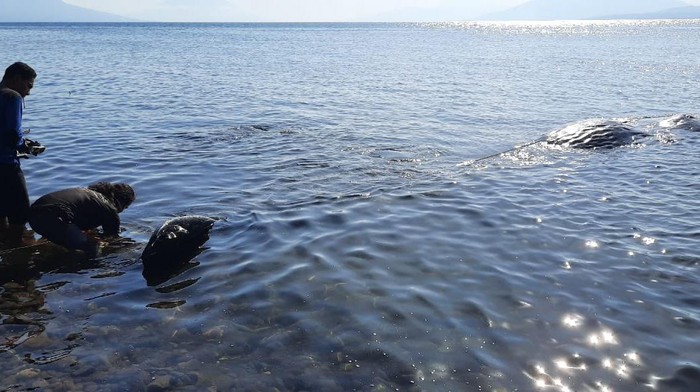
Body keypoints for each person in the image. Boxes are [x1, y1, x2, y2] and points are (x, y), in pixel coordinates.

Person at [28, 182, 135, 254]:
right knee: (93, 249)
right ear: (122, 202)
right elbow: (112, 237)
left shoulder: (88, 194)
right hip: (53, 219)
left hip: (33, 217)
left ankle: (47, 248)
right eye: (125, 207)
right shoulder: (109, 209)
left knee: (71, 236)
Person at [0, 62, 41, 245]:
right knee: (20, 212)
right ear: (16, 79)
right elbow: (12, 134)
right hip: (6, 164)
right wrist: (25, 146)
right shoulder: (12, 96)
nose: (28, 92)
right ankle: (15, 258)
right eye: (28, 86)